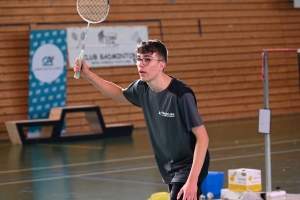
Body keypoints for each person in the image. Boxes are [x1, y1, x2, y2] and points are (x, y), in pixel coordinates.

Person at [73, 39, 210, 200]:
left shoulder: (181, 94)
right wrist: (88, 74)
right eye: (139, 59)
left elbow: (202, 138)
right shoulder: (142, 88)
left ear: (162, 65)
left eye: (147, 59)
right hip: (168, 166)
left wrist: (192, 181)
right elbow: (119, 94)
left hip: (189, 164)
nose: (141, 64)